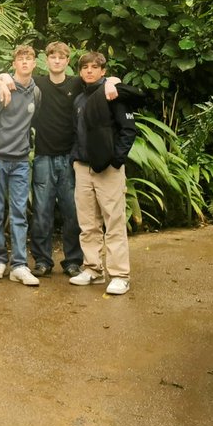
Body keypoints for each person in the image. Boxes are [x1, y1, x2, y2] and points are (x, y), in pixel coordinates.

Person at [68, 51, 140, 296]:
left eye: (94, 67)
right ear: (80, 72)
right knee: (88, 223)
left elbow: (129, 130)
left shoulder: (114, 95)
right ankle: (92, 269)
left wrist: (116, 160)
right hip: (82, 167)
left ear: (103, 71)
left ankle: (120, 275)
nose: (89, 70)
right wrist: (75, 160)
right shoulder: (78, 99)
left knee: (114, 222)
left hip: (108, 169)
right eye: (85, 67)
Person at [0, 45, 42, 286]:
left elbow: (33, 119)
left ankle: (19, 264)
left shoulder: (36, 92)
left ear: (35, 63)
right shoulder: (3, 87)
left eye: (29, 59)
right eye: (21, 59)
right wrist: (1, 78)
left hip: (20, 160)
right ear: (14, 63)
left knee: (19, 212)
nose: (25, 63)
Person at [29, 42, 84, 278]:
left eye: (62, 58)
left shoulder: (77, 83)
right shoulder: (37, 83)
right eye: (53, 57)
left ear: (67, 61)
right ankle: (42, 260)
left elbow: (100, 83)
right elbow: (13, 81)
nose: (57, 61)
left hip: (69, 158)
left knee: (72, 211)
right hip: (43, 156)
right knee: (42, 212)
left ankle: (73, 260)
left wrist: (112, 82)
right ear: (47, 60)